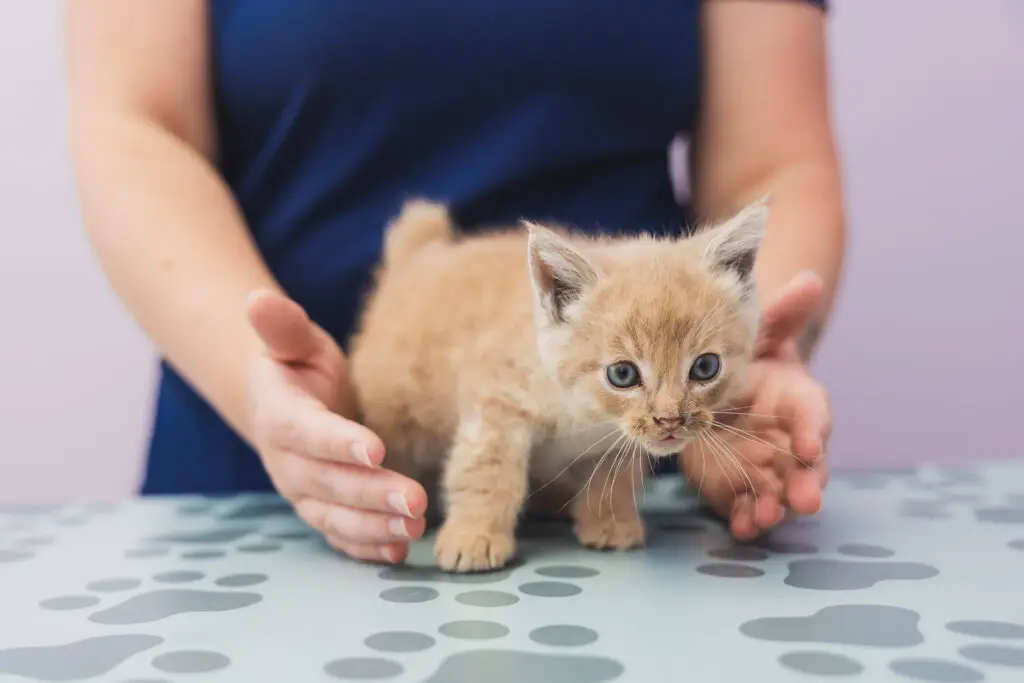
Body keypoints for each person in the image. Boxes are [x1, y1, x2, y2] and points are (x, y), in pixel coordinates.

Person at [66, 0, 843, 564]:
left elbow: (773, 166)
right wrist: (251, 374)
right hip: (254, 449)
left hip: (647, 483)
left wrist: (750, 361)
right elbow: (135, 126)